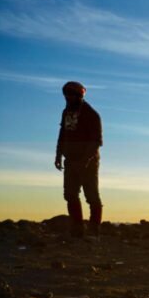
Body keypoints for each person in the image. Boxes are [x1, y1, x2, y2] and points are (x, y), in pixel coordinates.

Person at [55, 81, 102, 238]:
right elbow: (63, 134)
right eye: (65, 95)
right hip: (70, 159)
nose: (67, 98)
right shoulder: (66, 112)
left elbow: (97, 141)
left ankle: (94, 228)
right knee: (70, 194)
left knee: (91, 195)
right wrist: (58, 155)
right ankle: (77, 228)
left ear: (79, 95)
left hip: (88, 161)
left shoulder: (91, 114)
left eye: (70, 95)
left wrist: (86, 159)